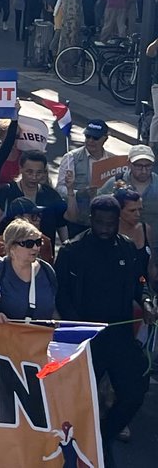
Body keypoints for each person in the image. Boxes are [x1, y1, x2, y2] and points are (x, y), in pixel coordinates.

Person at [55, 196, 157, 465]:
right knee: (80, 400)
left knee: (135, 392)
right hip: (86, 339)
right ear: (91, 220)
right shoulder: (70, 251)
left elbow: (141, 281)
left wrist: (146, 300)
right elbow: (61, 296)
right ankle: (76, 448)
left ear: (117, 222)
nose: (104, 228)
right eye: (99, 222)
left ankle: (104, 434)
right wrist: (78, 327)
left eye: (110, 224)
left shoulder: (126, 247)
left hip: (120, 337)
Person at [0, 218, 57, 322]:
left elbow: (54, 307)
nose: (36, 248)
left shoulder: (47, 270)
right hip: (5, 336)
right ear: (12, 247)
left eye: (38, 242)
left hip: (40, 335)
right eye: (29, 244)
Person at [56, 118, 115, 234]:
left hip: (104, 221)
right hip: (79, 219)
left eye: (95, 138)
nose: (90, 141)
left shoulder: (113, 160)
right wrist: (79, 192)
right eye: (88, 136)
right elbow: (59, 188)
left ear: (105, 139)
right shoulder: (71, 158)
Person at [97, 143, 158, 229]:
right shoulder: (115, 182)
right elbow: (97, 206)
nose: (144, 171)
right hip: (122, 239)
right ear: (129, 164)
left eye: (148, 166)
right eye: (139, 166)